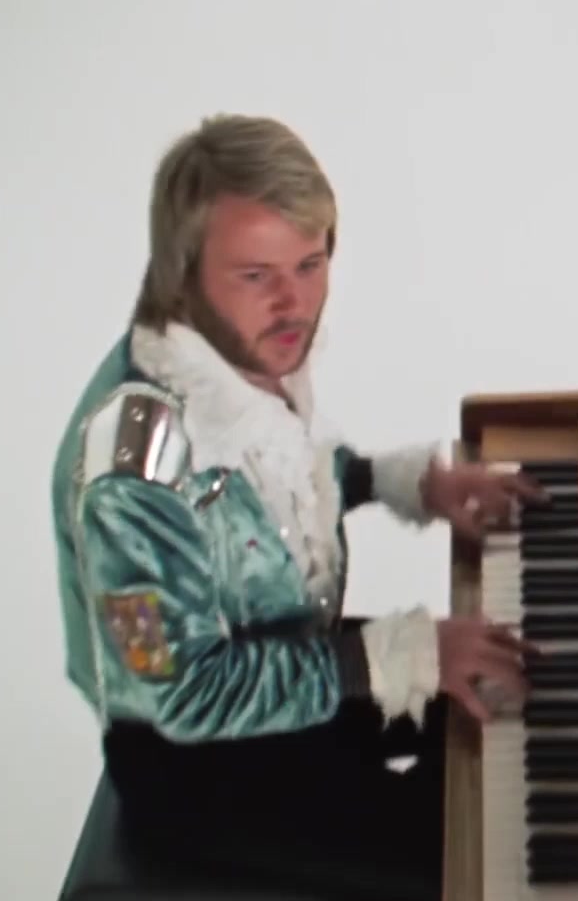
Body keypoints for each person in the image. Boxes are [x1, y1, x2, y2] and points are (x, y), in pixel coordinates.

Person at [49, 113, 544, 899]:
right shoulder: (130, 473)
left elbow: (284, 477)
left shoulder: (237, 358)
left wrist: (414, 484)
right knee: (477, 859)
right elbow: (183, 693)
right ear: (182, 275)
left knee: (519, 691)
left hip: (288, 659)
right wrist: (405, 656)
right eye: (256, 275)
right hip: (196, 763)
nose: (294, 302)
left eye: (311, 265)